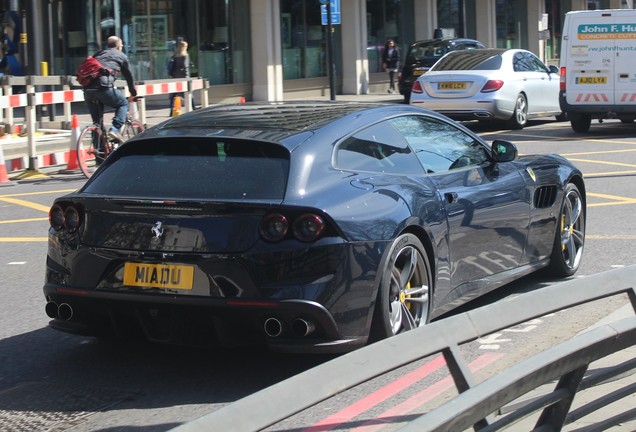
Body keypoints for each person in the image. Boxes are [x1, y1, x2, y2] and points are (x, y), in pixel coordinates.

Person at [83, 35, 137, 143]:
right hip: (103, 88)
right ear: (118, 46)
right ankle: (115, 129)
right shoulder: (121, 55)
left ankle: (100, 156)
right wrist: (133, 93)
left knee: (97, 124)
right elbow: (129, 76)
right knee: (123, 103)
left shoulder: (99, 54)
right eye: (121, 45)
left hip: (88, 90)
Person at [167, 40, 192, 115]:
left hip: (175, 76)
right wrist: (187, 76)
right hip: (183, 77)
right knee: (189, 93)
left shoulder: (175, 55)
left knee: (174, 94)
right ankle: (193, 108)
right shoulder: (185, 56)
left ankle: (171, 110)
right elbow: (185, 66)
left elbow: (172, 67)